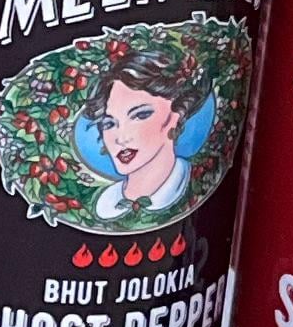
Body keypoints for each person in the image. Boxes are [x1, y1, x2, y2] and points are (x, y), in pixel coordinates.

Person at [78, 28, 213, 223]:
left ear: (176, 115)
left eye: (140, 115)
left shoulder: (196, 183)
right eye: (109, 123)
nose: (121, 138)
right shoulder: (104, 203)